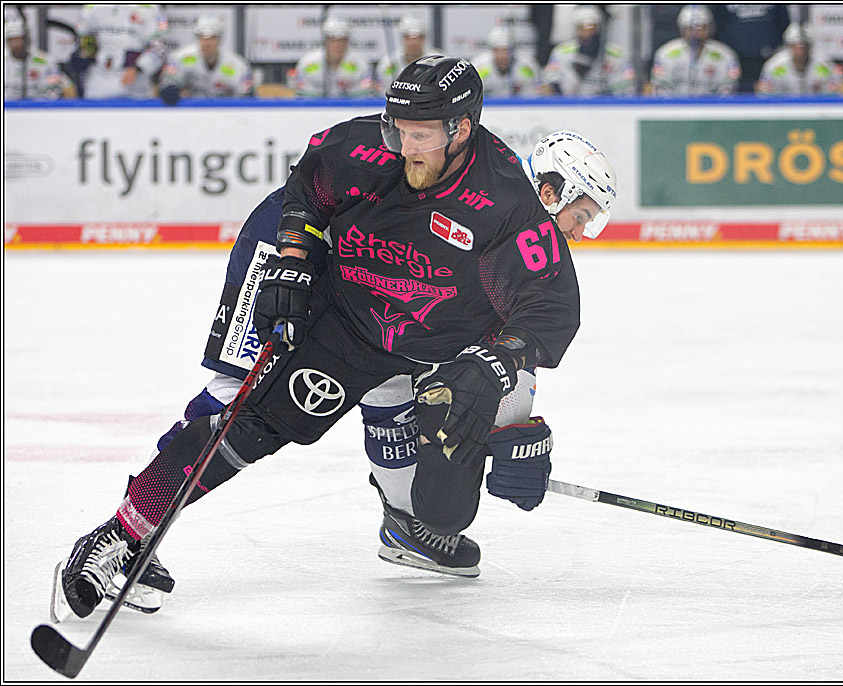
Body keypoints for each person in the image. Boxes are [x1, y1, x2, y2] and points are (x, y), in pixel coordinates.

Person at [48, 55, 584, 623]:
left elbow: (547, 310)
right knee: (242, 402)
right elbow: (305, 189)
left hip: (388, 312)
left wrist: (507, 407)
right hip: (314, 269)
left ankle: (405, 523)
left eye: (421, 135)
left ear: (462, 130)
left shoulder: (503, 199)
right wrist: (294, 259)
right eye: (397, 129)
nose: (405, 147)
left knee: (419, 384)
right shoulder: (366, 150)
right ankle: (125, 533)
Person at [72, 3, 167, 99]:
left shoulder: (150, 8)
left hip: (134, 87)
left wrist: (139, 68)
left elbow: (159, 48)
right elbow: (82, 39)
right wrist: (82, 55)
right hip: (96, 85)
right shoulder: (92, 7)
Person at [542, 5, 636, 97]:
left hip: (605, 103)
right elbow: (549, 82)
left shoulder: (614, 53)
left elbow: (627, 85)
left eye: (591, 28)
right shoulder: (561, 51)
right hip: (570, 102)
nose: (587, 33)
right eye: (582, 28)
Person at [158, 15, 252, 105]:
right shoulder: (180, 59)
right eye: (202, 37)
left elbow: (247, 98)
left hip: (224, 114)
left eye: (212, 38)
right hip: (189, 113)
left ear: (220, 39)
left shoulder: (237, 65)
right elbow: (167, 88)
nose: (206, 43)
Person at [650, 4, 740, 96]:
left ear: (709, 28)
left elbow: (727, 91)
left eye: (701, 28)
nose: (696, 33)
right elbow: (661, 89)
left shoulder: (724, 55)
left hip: (712, 108)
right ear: (682, 29)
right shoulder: (666, 54)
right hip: (675, 108)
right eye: (690, 28)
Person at [708, 3, 790, 93]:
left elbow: (783, 23)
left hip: (766, 56)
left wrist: (772, 46)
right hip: (734, 57)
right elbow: (716, 23)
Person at [289, 16, 375, 99]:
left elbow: (365, 96)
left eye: (342, 41)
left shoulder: (361, 63)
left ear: (348, 42)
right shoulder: (308, 63)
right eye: (333, 41)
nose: (338, 46)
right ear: (325, 41)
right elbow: (301, 94)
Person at [755, 23, 842, 96]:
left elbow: (837, 92)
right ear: (788, 46)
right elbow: (763, 94)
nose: (801, 51)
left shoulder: (824, 65)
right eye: (796, 46)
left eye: (805, 46)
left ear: (811, 46)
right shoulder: (775, 66)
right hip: (782, 110)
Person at [4, 16, 75, 100]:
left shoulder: (45, 61)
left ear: (28, 39)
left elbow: (68, 87)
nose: (17, 44)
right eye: (13, 40)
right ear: (7, 41)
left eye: (20, 39)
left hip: (39, 109)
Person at [373, 16, 441, 94]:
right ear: (403, 39)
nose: (413, 43)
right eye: (408, 38)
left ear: (424, 39)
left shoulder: (438, 60)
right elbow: (383, 90)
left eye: (418, 38)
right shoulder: (388, 62)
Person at [471, 26, 543, 98]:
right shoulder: (479, 67)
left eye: (505, 51)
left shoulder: (527, 66)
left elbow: (537, 94)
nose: (502, 56)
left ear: (512, 50)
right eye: (497, 51)